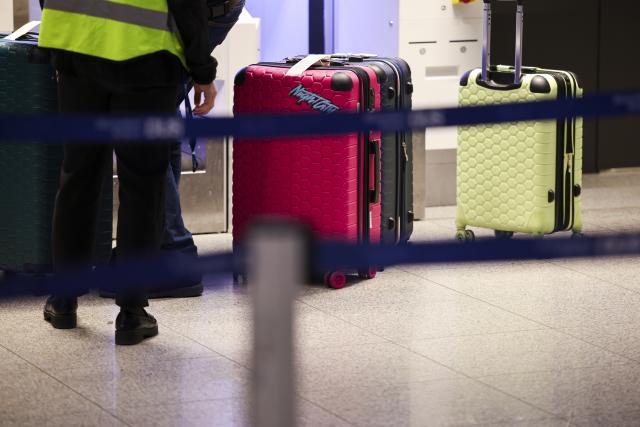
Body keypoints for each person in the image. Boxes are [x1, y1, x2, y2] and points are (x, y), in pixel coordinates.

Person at [38, 0, 217, 345]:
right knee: (143, 182)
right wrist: (202, 69)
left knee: (78, 174)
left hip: (76, 48)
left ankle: (63, 300)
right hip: (146, 56)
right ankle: (132, 313)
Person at [106, 0, 247, 299]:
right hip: (203, 11)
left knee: (143, 122)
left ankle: (171, 250)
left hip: (192, 10)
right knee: (158, 114)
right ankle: (157, 241)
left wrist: (201, 69)